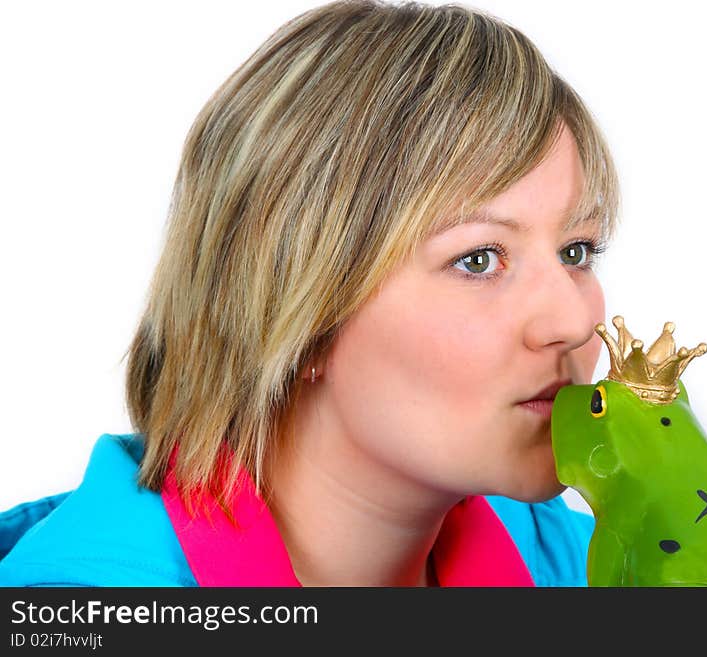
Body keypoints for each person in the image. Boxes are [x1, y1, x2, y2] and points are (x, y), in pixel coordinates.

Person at [0, 0, 618, 587]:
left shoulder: (598, 563)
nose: (572, 319)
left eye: (577, 252)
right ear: (295, 312)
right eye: (478, 259)